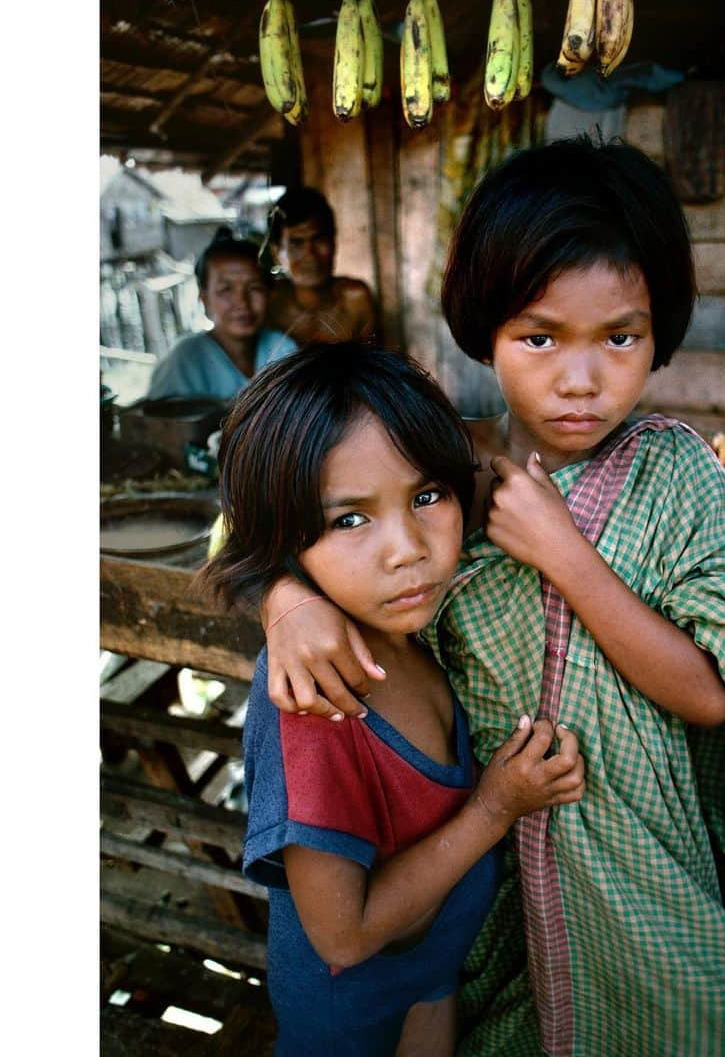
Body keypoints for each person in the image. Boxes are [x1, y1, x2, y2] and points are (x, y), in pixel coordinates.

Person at [255, 138, 725, 1055]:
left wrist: (566, 555)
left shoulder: (676, 477)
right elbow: (277, 524)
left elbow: (718, 693)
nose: (580, 379)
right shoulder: (435, 468)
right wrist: (286, 600)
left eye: (621, 337)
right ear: (485, 328)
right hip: (486, 878)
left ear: (659, 331)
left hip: (644, 875)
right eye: (540, 336)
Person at [201, 344, 586, 1056]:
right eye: (351, 519)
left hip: (432, 969)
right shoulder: (317, 703)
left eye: (426, 497)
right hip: (349, 1018)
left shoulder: (419, 627)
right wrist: (496, 807)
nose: (406, 548)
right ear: (283, 533)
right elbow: (344, 934)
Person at [147, 228, 297, 401]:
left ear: (270, 293)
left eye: (255, 288)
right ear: (204, 298)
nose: (242, 302)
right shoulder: (185, 360)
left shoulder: (280, 347)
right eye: (226, 290)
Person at [262, 186, 379, 346]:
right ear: (276, 253)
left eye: (319, 240)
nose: (310, 255)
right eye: (296, 243)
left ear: (333, 243)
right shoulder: (269, 304)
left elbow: (374, 367)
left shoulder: (355, 300)